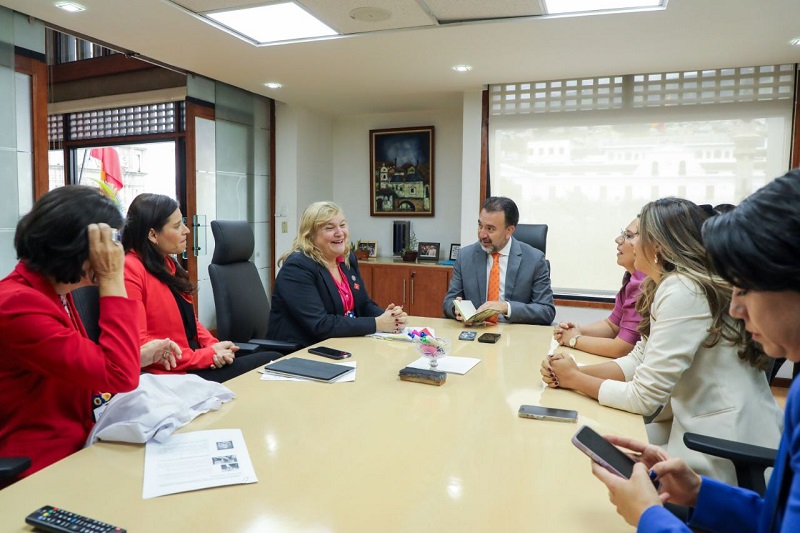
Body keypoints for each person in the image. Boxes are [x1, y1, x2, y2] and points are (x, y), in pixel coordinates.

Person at [591, 169, 800, 532]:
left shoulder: (682, 289)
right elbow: (776, 519)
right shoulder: (796, 394)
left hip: (721, 438)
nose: (734, 308)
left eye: (745, 287)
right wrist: (703, 494)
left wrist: (648, 517)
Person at [541, 197, 782, 483]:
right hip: (691, 424)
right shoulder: (666, 284)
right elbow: (639, 358)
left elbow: (644, 397)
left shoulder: (683, 290)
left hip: (725, 443)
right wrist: (571, 373)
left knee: (595, 454)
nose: (625, 241)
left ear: (657, 245)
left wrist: (575, 380)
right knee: (597, 439)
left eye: (634, 234)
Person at [0, 186, 181, 482]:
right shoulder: (18, 304)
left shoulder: (58, 292)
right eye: (106, 246)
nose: (113, 255)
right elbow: (119, 376)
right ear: (75, 248)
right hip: (39, 463)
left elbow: (87, 367)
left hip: (82, 443)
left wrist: (138, 357)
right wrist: (111, 278)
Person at [123, 193, 280, 383]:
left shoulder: (169, 265)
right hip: (173, 375)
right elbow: (142, 348)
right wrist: (207, 356)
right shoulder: (130, 269)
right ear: (153, 234)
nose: (186, 231)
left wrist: (214, 348)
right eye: (177, 226)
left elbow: (191, 323)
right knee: (270, 361)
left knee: (271, 357)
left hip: (192, 361)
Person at [267, 201, 407, 348]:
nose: (339, 232)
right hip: (302, 351)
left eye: (342, 225)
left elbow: (363, 305)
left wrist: (390, 318)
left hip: (341, 344)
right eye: (330, 228)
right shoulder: (298, 267)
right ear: (310, 235)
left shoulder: (347, 259)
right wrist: (377, 323)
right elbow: (320, 324)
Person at [442, 196, 555, 325]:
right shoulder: (465, 256)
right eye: (480, 226)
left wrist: (506, 307)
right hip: (476, 332)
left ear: (509, 231)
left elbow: (546, 311)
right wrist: (455, 309)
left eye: (490, 229)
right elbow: (448, 301)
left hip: (515, 336)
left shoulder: (534, 260)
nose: (482, 234)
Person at [553, 217, 645, 358]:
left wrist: (574, 340)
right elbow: (612, 326)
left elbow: (622, 348)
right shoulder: (633, 278)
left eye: (629, 235)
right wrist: (577, 331)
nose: (618, 240)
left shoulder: (643, 282)